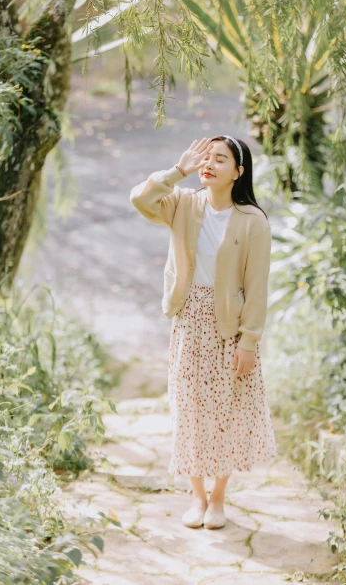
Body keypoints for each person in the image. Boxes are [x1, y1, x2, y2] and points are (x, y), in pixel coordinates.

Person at [129, 135, 277, 529]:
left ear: (238, 172)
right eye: (206, 158)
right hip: (189, 320)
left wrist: (249, 341)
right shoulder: (182, 203)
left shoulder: (253, 222)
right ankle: (196, 497)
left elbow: (257, 286)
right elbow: (140, 200)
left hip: (229, 326)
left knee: (225, 412)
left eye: (220, 159)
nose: (209, 164)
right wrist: (179, 171)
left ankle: (219, 499)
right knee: (191, 410)